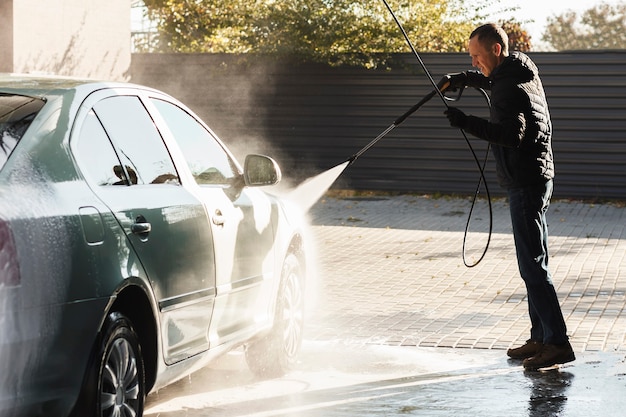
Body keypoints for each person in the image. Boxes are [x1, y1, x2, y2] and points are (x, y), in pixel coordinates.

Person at [442, 23, 575, 370]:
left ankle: (557, 343)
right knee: (535, 263)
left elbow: (510, 135)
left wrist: (464, 121)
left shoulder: (508, 88)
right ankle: (540, 338)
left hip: (525, 183)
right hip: (538, 178)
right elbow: (493, 81)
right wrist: (464, 78)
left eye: (476, 56)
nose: (475, 61)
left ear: (496, 50)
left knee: (532, 266)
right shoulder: (519, 70)